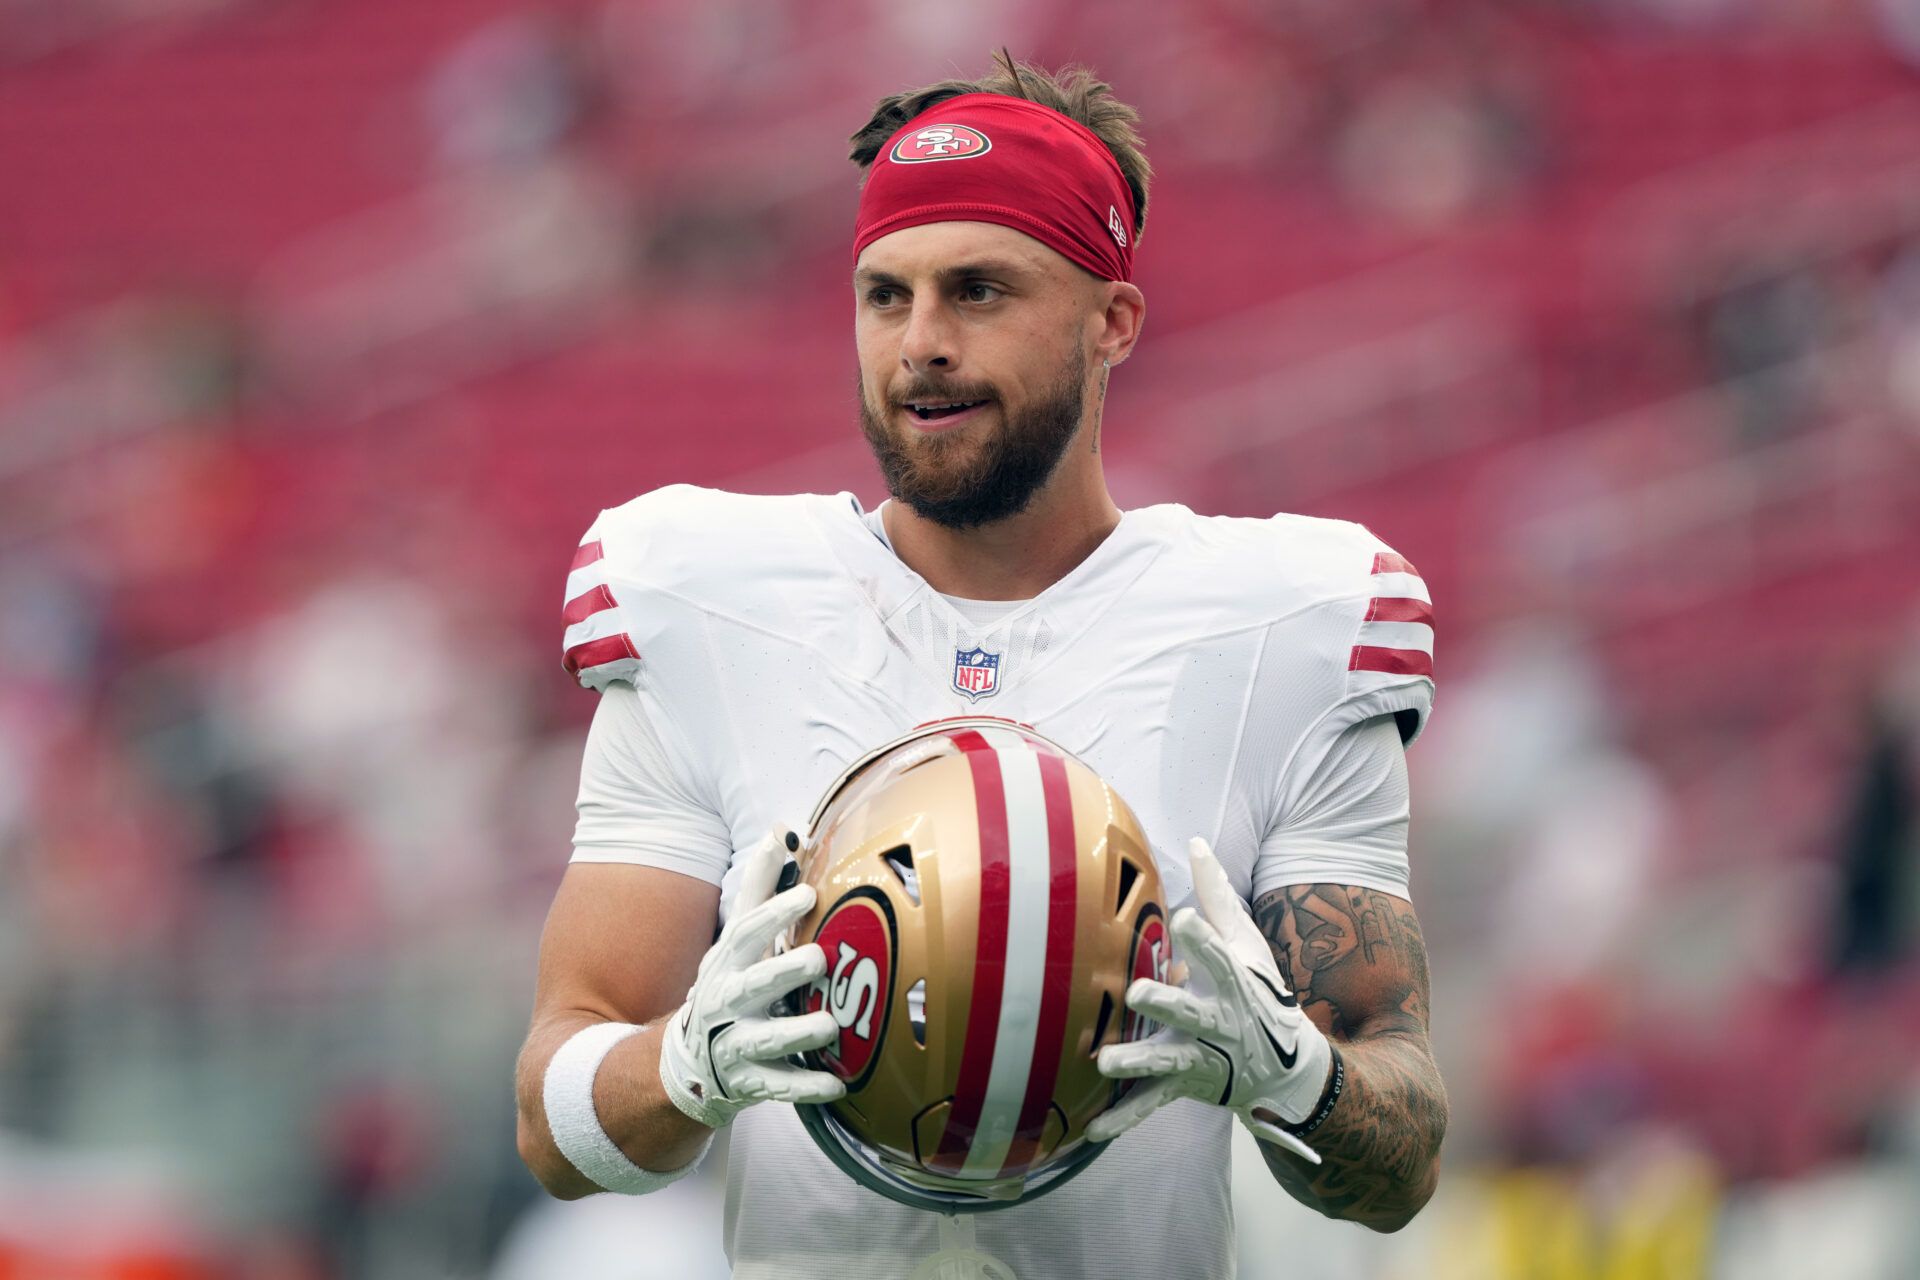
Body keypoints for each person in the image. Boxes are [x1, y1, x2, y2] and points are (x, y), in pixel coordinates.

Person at [513, 53, 1447, 1280]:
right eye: (884, 294)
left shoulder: (1288, 626)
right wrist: (686, 1062)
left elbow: (1401, 1158)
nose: (922, 344)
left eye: (980, 290)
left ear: (1113, 321)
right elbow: (555, 1126)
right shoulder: (707, 600)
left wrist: (1293, 1074)